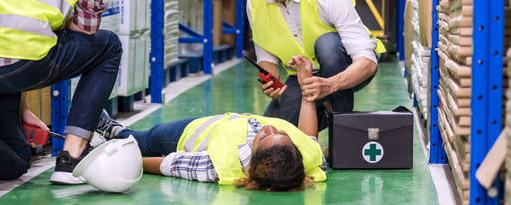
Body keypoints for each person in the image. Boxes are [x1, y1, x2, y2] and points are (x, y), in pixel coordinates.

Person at [0, 0, 123, 197]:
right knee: (109, 46)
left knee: (18, 159)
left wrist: (23, 110)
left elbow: (3, 26)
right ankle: (71, 159)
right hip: (15, 60)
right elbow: (85, 29)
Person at [105, 56, 326, 191]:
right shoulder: (307, 160)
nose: (269, 127)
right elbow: (310, 140)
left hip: (193, 133)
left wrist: (131, 163)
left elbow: (168, 164)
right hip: (229, 122)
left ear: (252, 158)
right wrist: (305, 84)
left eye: (265, 137)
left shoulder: (217, 167)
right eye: (282, 133)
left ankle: (113, 130)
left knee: (141, 141)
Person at [247, 0, 386, 130]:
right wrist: (271, 82)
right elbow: (266, 57)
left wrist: (331, 85)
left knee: (328, 46)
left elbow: (368, 62)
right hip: (302, 76)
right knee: (273, 131)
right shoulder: (254, 5)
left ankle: (341, 130)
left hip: (348, 64)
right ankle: (323, 108)